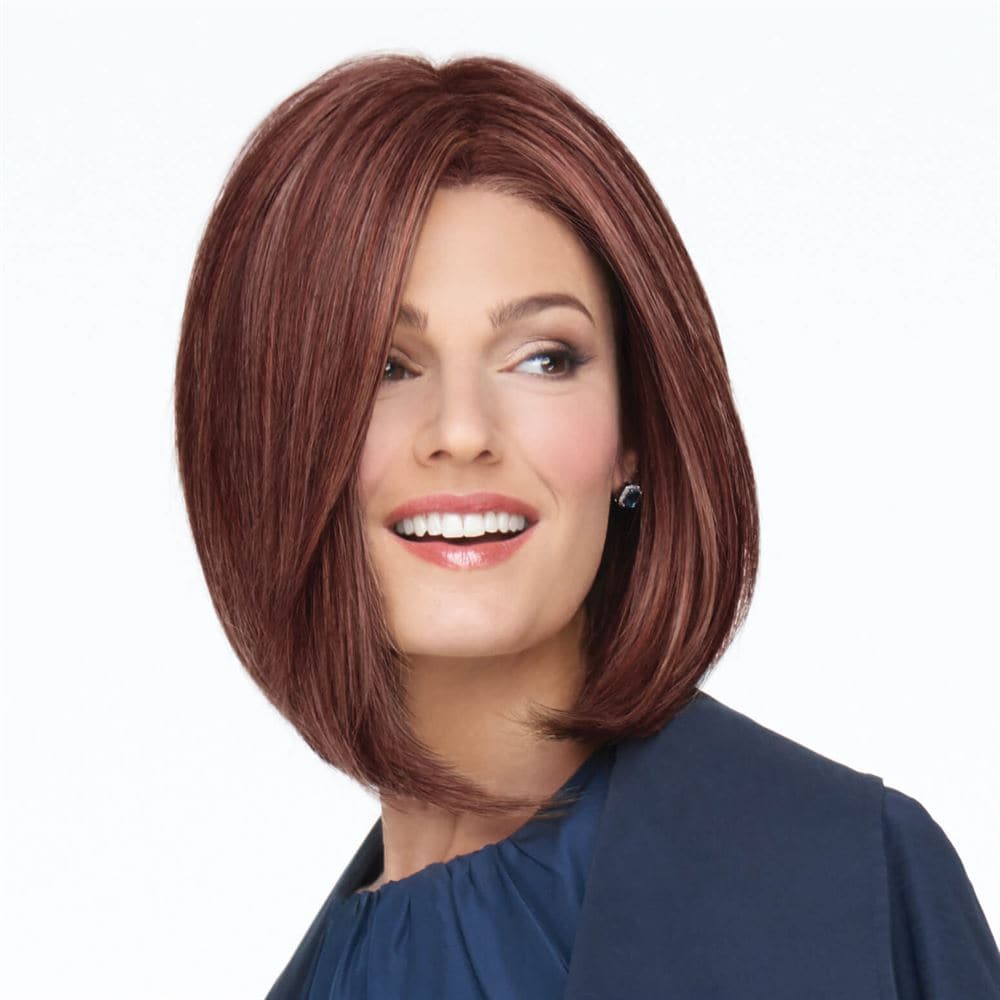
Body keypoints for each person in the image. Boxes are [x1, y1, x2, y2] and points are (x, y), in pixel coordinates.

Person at [173, 52, 1000, 998]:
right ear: (272, 440)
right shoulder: (330, 976)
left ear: (633, 432)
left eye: (543, 358)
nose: (461, 431)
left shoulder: (852, 882)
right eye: (384, 367)